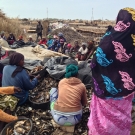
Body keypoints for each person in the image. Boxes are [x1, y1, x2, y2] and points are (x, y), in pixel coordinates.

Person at [88, 8, 135, 135]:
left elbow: (95, 62)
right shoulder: (133, 41)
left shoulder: (109, 38)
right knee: (122, 120)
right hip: (126, 91)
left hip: (105, 90)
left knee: (103, 124)